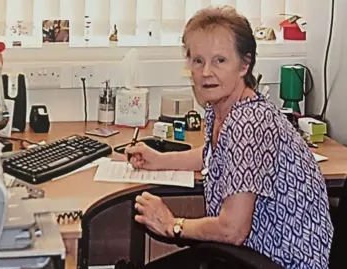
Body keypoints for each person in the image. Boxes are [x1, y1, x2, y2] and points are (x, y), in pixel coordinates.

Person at [126, 6, 333, 269]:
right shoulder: (223, 108)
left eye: (220, 60)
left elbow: (232, 230)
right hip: (250, 255)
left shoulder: (249, 123)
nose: (205, 72)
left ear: (244, 65)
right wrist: (159, 160)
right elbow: (215, 154)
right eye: (198, 61)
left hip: (279, 263)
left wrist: (172, 225)